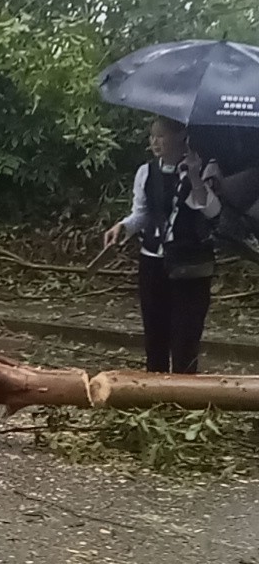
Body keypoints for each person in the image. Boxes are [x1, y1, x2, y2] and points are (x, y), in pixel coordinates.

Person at [103, 117, 223, 374]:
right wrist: (122, 227)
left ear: (181, 137)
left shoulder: (204, 168)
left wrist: (193, 175)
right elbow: (142, 214)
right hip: (153, 262)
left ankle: (184, 394)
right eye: (152, 137)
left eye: (162, 136)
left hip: (190, 265)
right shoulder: (146, 172)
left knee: (185, 337)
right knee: (155, 335)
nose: (155, 142)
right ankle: (153, 393)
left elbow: (211, 210)